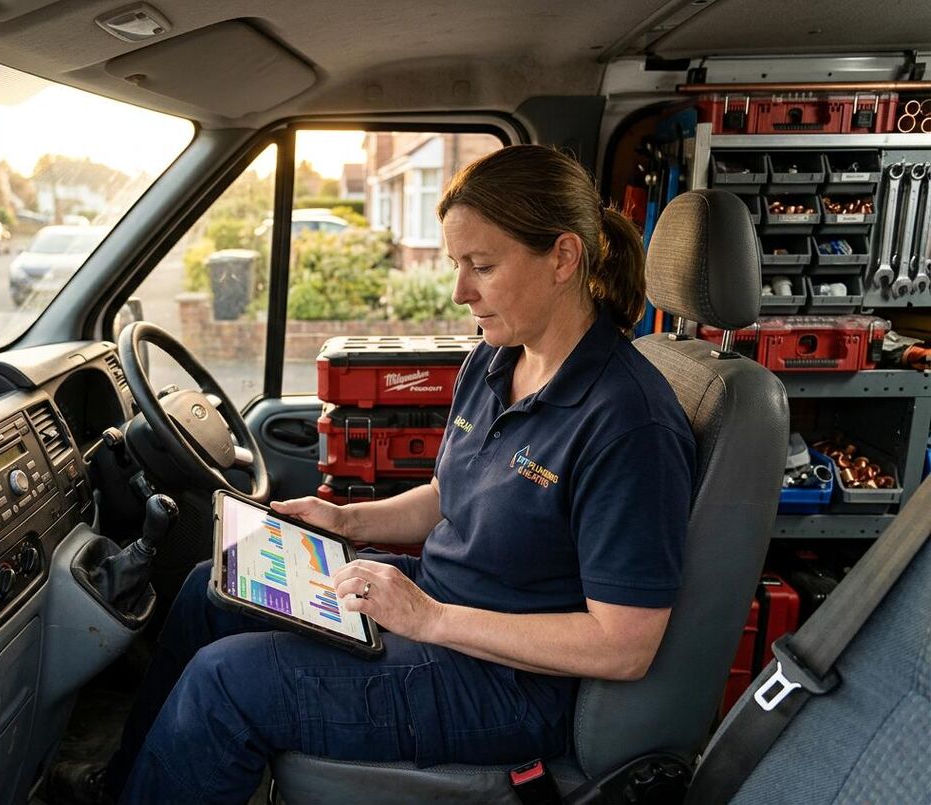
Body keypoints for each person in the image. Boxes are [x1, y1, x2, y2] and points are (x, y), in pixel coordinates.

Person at [101, 144, 696, 804]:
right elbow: (450, 496)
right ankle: (124, 784)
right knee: (208, 587)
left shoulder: (629, 420)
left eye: (483, 266)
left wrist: (430, 618)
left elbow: (622, 647)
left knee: (225, 682)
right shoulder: (496, 359)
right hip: (441, 604)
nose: (459, 291)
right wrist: (345, 520)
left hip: (512, 681)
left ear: (562, 257)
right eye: (456, 265)